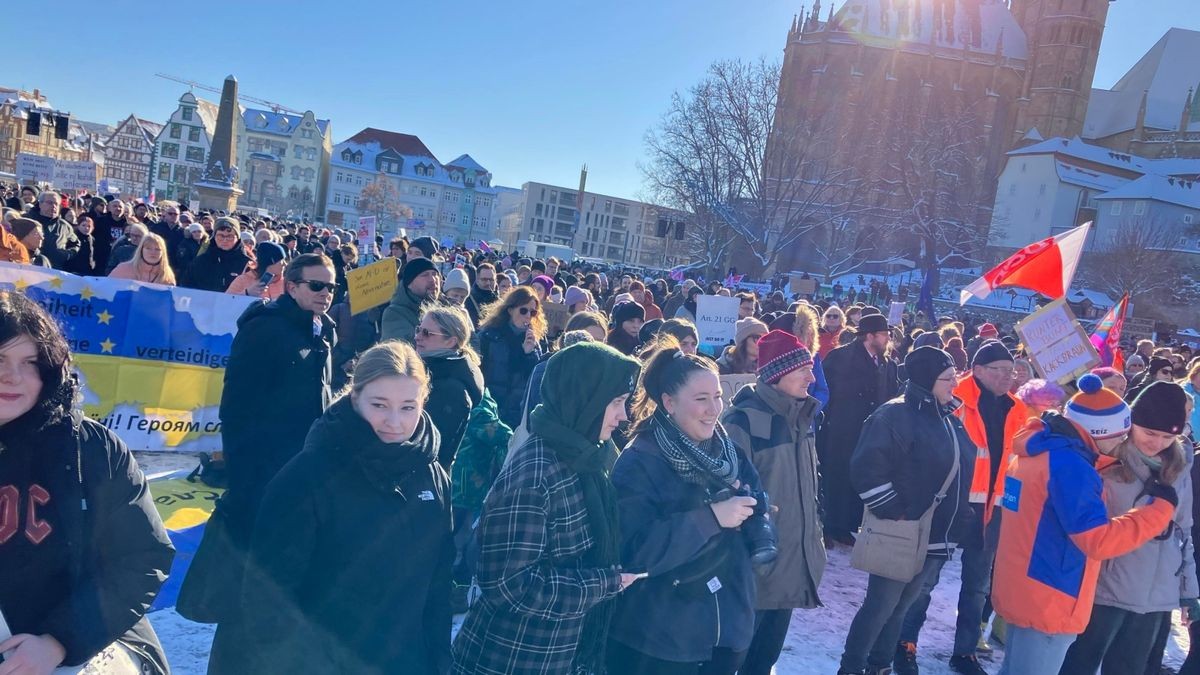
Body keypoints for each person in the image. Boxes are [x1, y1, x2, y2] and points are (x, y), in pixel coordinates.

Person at [238, 341, 454, 673]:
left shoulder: (432, 475)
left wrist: (438, 660)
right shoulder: (308, 476)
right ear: (355, 398)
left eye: (408, 407)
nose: (394, 422)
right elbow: (267, 598)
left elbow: (437, 585)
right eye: (379, 405)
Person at [0, 291, 175, 674]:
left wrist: (59, 641)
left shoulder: (90, 447)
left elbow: (142, 557)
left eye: (30, 362)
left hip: (80, 648)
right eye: (0, 358)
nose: (12, 377)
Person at [452, 343, 643, 675]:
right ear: (583, 400)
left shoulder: (587, 457)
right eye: (616, 403)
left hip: (559, 652)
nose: (623, 416)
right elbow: (508, 585)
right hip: (513, 658)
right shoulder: (535, 475)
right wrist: (603, 584)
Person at [992, 374, 1179, 675]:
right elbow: (1097, 541)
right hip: (1051, 593)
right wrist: (1157, 511)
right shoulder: (1071, 467)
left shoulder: (1040, 450)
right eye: (1119, 434)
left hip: (1026, 584)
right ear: (1098, 431)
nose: (1122, 441)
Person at [207, 253, 337, 673]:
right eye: (317, 286)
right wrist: (244, 476)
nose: (325, 294)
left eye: (331, 287)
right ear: (293, 285)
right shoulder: (264, 328)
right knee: (248, 584)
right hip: (262, 474)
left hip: (303, 473)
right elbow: (236, 405)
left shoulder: (324, 332)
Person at [607, 339, 764, 674]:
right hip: (660, 641)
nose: (714, 408)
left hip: (725, 630)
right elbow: (633, 552)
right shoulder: (640, 460)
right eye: (701, 399)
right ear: (669, 402)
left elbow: (757, 506)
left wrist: (756, 520)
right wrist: (711, 518)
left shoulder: (727, 451)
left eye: (719, 396)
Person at [838, 346, 975, 675]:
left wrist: (961, 515)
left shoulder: (948, 417)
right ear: (927, 380)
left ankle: (879, 665)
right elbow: (866, 468)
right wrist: (896, 512)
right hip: (901, 530)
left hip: (935, 531)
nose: (954, 384)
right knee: (880, 606)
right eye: (947, 378)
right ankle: (852, 668)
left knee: (901, 608)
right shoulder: (894, 414)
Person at [896, 340, 1029, 675]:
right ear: (979, 370)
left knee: (977, 586)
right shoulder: (955, 398)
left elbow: (1016, 462)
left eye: (1010, 371)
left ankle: (965, 651)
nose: (1006, 377)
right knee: (925, 581)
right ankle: (904, 644)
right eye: (998, 370)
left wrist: (1010, 508)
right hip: (951, 502)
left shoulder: (1017, 408)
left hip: (992, 508)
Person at [1059, 381, 1197, 675]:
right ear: (1132, 423)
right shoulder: (1110, 461)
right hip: (1106, 587)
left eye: (1165, 437)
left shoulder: (1180, 467)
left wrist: (1188, 591)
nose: (1156, 443)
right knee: (1077, 664)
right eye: (1149, 433)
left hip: (1156, 596)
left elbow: (1183, 533)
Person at [722, 331, 824, 675]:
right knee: (732, 661)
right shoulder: (744, 422)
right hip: (753, 568)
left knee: (764, 662)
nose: (813, 378)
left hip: (790, 562)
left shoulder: (803, 417)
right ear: (778, 374)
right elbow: (726, 495)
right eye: (803, 370)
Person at [819, 313, 899, 546]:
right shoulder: (841, 357)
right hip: (841, 429)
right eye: (884, 334)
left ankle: (847, 525)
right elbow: (828, 391)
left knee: (858, 476)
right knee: (836, 477)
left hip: (871, 431)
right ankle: (829, 525)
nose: (888, 339)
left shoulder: (886, 363)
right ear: (870, 335)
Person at [414, 305, 484, 469]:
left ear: (451, 341)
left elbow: (432, 445)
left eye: (427, 333)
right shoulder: (428, 369)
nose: (418, 337)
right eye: (418, 329)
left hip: (424, 475)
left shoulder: (451, 388)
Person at [476, 286, 544, 430]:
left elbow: (535, 380)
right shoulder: (489, 336)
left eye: (533, 312)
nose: (528, 316)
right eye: (523, 310)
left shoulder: (533, 343)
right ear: (510, 310)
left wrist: (529, 354)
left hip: (516, 415)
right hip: (489, 410)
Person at [381, 257, 440, 345]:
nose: (433, 279)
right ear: (409, 284)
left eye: (435, 274)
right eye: (425, 275)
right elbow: (404, 349)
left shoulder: (446, 307)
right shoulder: (394, 313)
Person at [184, 218, 251, 292]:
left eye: (230, 236)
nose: (225, 240)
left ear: (237, 238)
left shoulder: (248, 265)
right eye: (220, 236)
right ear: (214, 237)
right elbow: (186, 287)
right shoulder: (200, 262)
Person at [28, 190, 79, 270]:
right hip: (31, 269)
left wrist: (67, 254)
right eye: (49, 203)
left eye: (56, 204)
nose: (53, 206)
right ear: (40, 204)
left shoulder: (64, 226)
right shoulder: (27, 221)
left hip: (55, 272)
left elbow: (76, 244)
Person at [108, 232, 177, 285]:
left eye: (157, 249)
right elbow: (106, 288)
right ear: (141, 250)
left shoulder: (167, 275)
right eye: (148, 248)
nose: (153, 252)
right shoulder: (124, 269)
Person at [150, 201, 187, 270]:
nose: (173, 216)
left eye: (175, 214)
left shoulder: (183, 232)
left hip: (174, 266)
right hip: (157, 262)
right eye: (170, 214)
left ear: (179, 216)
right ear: (166, 215)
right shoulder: (156, 228)